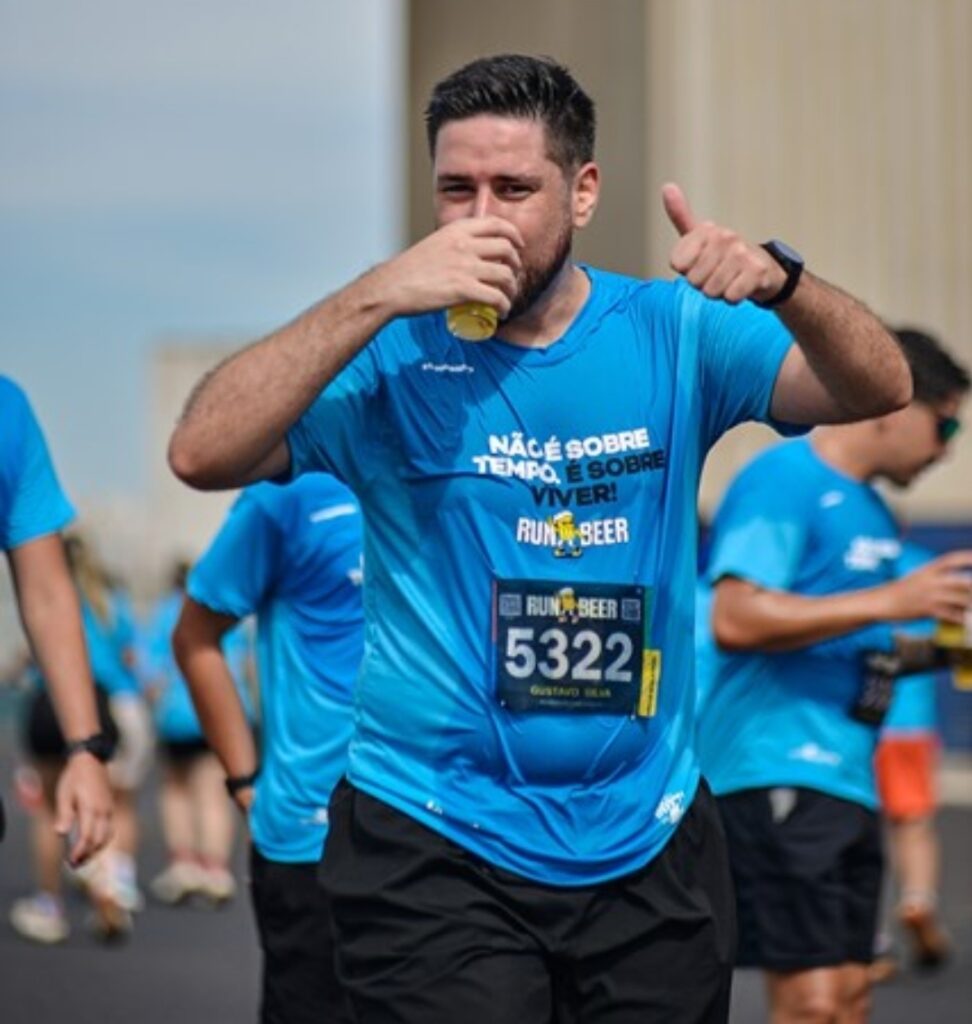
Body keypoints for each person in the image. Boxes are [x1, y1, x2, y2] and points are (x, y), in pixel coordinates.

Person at [167, 53, 911, 1024]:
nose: (482, 217)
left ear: (582, 192)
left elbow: (881, 387)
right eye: (456, 189)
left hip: (646, 835)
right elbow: (200, 452)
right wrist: (375, 293)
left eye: (514, 189)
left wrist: (786, 286)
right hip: (431, 833)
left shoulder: (673, 332)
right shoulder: (390, 354)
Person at [695, 327, 970, 1023]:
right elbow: (736, 616)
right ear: (895, 406)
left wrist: (947, 652)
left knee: (850, 993)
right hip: (778, 767)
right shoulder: (784, 479)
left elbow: (860, 644)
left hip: (848, 776)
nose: (947, 449)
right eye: (945, 425)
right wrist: (892, 600)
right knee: (812, 1002)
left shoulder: (871, 510)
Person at [172, 472, 364, 1024]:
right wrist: (243, 779)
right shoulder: (284, 495)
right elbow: (195, 637)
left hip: (440, 830)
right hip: (311, 836)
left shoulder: (448, 473)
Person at [1, 376, 114, 943]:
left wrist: (86, 749)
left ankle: (54, 901)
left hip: (68, 704)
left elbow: (45, 591)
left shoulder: (7, 410)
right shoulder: (115, 609)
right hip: (95, 700)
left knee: (51, 809)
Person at [140, 561, 254, 906]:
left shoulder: (167, 612)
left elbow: (151, 669)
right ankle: (215, 869)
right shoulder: (228, 608)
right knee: (215, 792)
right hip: (226, 710)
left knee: (176, 788)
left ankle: (184, 863)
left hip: (179, 711)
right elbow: (246, 664)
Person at [873, 539, 952, 973]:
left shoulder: (846, 566)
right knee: (914, 823)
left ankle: (871, 937)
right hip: (911, 722)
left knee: (858, 827)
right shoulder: (926, 567)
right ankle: (918, 900)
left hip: (858, 719)